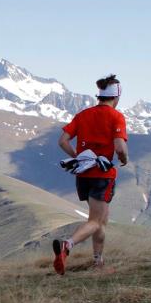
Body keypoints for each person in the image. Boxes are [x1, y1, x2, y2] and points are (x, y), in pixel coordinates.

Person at [53, 74, 129, 275]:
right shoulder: (116, 116)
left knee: (101, 220)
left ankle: (98, 263)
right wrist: (124, 159)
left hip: (83, 175)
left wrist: (78, 156)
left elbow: (62, 141)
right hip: (102, 176)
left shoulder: (83, 115)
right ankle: (67, 245)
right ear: (117, 97)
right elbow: (120, 146)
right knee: (95, 221)